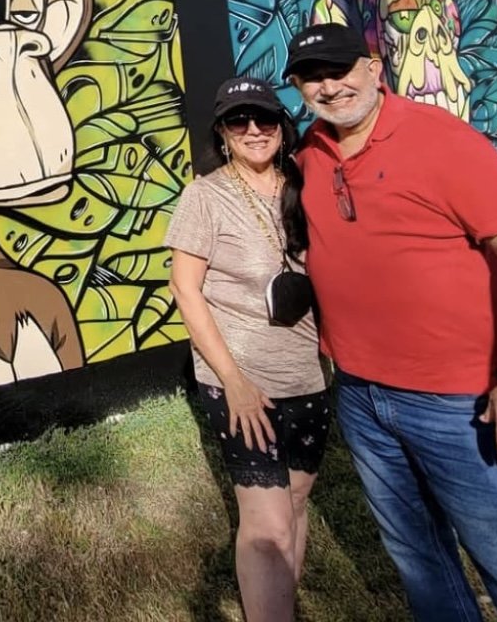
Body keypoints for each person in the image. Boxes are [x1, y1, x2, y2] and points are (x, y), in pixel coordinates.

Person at [283, 22, 497, 622]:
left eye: (341, 68)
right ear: (299, 87)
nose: (330, 86)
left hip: (464, 402)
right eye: (313, 77)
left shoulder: (442, 141)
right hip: (362, 396)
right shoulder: (309, 156)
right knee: (421, 567)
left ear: (374, 68)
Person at [166, 77, 328, 622]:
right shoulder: (205, 195)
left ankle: (279, 606)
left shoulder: (304, 189)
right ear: (223, 132)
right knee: (267, 525)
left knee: (298, 505)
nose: (253, 130)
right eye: (240, 121)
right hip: (242, 382)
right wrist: (232, 380)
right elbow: (185, 290)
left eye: (264, 119)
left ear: (282, 128)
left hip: (308, 376)